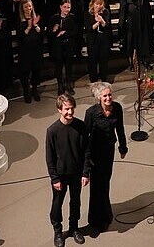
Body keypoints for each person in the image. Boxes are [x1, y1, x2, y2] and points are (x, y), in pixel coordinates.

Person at [46, 94, 90, 247]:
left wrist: (85, 173)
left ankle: (74, 228)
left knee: (75, 202)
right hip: (60, 176)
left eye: (71, 108)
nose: (70, 112)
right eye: (66, 109)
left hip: (77, 173)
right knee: (57, 205)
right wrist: (54, 178)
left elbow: (86, 151)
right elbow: (49, 157)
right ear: (59, 110)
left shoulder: (81, 126)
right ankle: (58, 231)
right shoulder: (52, 131)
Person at [85, 82, 128, 232]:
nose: (108, 98)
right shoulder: (91, 113)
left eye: (110, 95)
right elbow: (86, 137)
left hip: (109, 152)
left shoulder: (117, 108)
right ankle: (95, 221)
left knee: (105, 184)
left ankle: (105, 214)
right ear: (99, 98)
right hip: (95, 155)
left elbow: (120, 128)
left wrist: (123, 147)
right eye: (105, 96)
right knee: (97, 187)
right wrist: (87, 160)